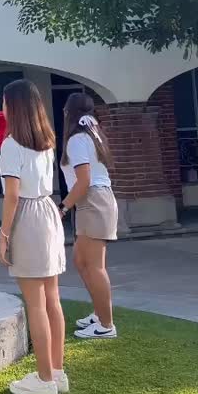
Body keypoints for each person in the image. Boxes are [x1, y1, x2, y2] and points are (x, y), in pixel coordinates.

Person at [0, 79, 67, 394]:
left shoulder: (11, 145)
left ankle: (43, 379)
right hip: (48, 212)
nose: (2, 108)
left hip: (27, 215)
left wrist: (4, 235)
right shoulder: (47, 141)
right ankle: (56, 371)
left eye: (4, 103)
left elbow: (12, 195)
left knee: (36, 302)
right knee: (52, 299)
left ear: (14, 107)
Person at [59, 92, 118, 340]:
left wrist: (62, 208)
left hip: (93, 200)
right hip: (91, 202)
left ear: (68, 113)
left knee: (93, 266)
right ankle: (99, 313)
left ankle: (106, 325)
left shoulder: (77, 139)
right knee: (82, 262)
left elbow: (83, 181)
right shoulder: (91, 135)